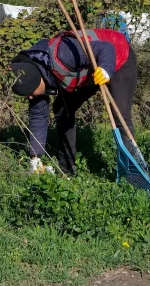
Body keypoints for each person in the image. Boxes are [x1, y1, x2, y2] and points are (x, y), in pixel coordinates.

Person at [8, 26, 136, 175]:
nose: (29, 97)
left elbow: (106, 48)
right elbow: (38, 117)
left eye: (29, 93)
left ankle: (133, 169)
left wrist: (105, 69)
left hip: (118, 57)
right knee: (63, 109)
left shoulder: (63, 54)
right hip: (87, 71)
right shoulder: (34, 76)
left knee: (119, 113)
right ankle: (67, 168)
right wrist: (35, 158)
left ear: (38, 81)